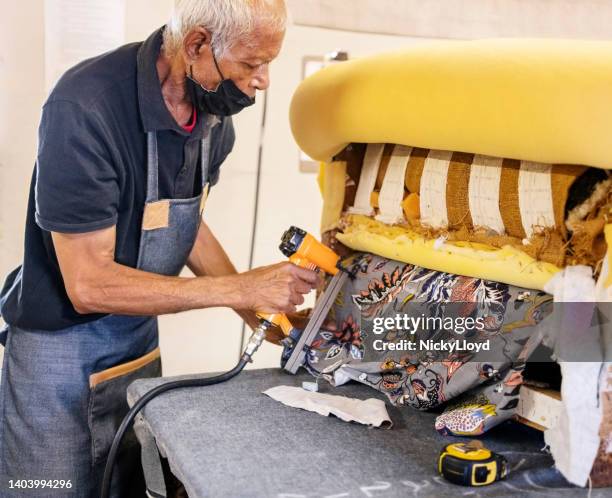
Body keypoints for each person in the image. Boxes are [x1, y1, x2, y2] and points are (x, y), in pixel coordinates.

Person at [0, 1, 311, 496]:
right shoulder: (86, 108)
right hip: (58, 355)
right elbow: (89, 284)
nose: (263, 80)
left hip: (135, 344)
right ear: (196, 46)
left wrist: (254, 309)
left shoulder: (212, 116)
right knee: (47, 487)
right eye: (251, 64)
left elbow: (182, 219)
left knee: (126, 485)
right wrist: (240, 287)